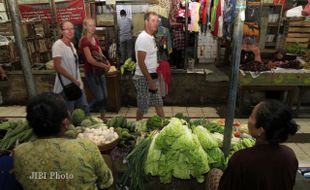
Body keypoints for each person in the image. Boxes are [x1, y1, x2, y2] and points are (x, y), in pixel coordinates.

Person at [13, 92, 113, 190]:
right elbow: (106, 182)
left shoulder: (19, 152)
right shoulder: (86, 148)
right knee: (107, 160)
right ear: (65, 123)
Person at [211, 100, 299, 190]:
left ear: (259, 130)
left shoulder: (241, 159)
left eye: (251, 116)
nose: (248, 120)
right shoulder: (289, 155)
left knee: (214, 173)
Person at [52, 21, 89, 114]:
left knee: (84, 110)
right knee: (68, 114)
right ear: (61, 31)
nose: (70, 31)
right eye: (67, 29)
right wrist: (73, 79)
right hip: (65, 87)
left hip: (77, 84)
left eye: (72, 29)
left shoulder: (72, 45)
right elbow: (57, 66)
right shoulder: (58, 45)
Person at [134, 12, 164, 120]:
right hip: (143, 78)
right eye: (153, 20)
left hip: (151, 76)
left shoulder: (150, 37)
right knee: (142, 107)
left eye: (157, 21)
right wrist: (150, 80)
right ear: (146, 22)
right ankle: (137, 128)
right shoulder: (143, 38)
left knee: (158, 102)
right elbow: (141, 62)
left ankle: (163, 125)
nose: (156, 23)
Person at [79, 18, 111, 121]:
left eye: (94, 25)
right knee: (99, 97)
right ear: (85, 27)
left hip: (100, 72)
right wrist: (104, 66)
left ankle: (103, 116)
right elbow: (90, 60)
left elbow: (100, 53)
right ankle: (85, 111)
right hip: (91, 73)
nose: (93, 27)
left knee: (105, 96)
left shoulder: (95, 38)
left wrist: (107, 62)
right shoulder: (84, 41)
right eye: (90, 25)